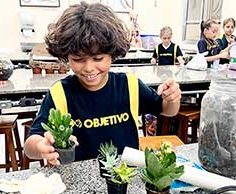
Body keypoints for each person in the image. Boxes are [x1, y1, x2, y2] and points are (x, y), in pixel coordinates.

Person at [24, 2, 181, 165]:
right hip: (79, 178)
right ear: (66, 57)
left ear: (112, 54)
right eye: (78, 60)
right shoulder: (60, 93)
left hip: (125, 175)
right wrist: (42, 145)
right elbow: (30, 146)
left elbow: (167, 110)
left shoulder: (129, 86)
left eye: (98, 58)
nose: (89, 68)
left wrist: (172, 99)